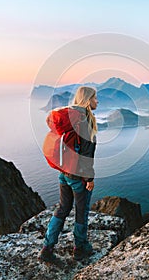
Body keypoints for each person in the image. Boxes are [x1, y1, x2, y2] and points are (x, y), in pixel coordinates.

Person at [39, 86, 98, 262]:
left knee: (63, 208)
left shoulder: (70, 118)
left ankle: (47, 248)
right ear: (87, 101)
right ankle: (80, 247)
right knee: (82, 211)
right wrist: (89, 179)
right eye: (95, 98)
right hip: (78, 177)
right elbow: (86, 156)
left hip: (63, 174)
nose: (97, 101)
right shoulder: (84, 123)